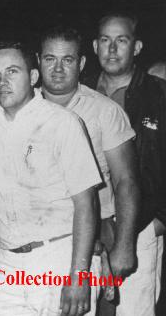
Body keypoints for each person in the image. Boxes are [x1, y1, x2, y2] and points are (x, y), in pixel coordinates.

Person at [0, 41, 102, 316]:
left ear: (33, 77)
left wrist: (79, 276)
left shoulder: (63, 123)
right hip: (8, 260)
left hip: (59, 256)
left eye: (12, 72)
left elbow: (87, 203)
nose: (2, 81)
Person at [38, 26, 140, 314]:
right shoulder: (23, 108)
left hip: (96, 237)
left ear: (81, 64)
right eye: (50, 59)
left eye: (67, 60)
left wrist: (124, 244)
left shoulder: (105, 111)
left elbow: (126, 181)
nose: (58, 69)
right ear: (38, 61)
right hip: (39, 237)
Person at [84, 12, 166, 316]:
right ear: (94, 46)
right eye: (105, 40)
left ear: (138, 46)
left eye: (122, 40)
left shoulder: (158, 95)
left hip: (139, 225)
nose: (113, 49)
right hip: (86, 228)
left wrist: (157, 223)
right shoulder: (80, 92)